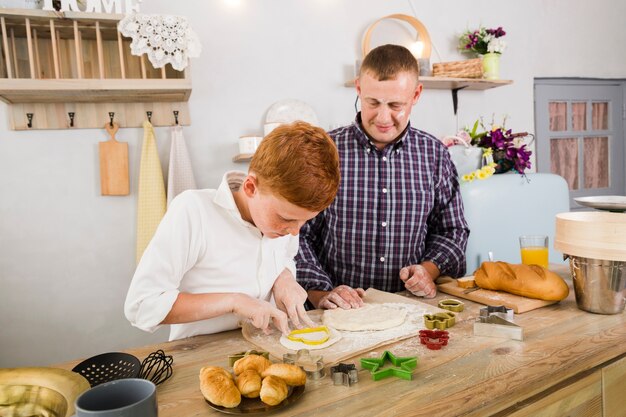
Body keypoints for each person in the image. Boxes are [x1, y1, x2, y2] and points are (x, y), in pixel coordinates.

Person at [125, 121, 341, 340]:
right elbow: (142, 305)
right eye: (286, 218)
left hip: (269, 347)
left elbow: (278, 259)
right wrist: (235, 302)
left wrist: (283, 277)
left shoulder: (281, 225)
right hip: (202, 356)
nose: (295, 232)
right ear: (250, 187)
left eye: (304, 222)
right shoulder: (193, 211)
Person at [296, 44, 470, 310]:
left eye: (396, 105)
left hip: (410, 309)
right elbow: (296, 234)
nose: (383, 117)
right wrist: (322, 294)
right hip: (335, 313)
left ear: (416, 95)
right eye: (373, 103)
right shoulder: (324, 151)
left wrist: (427, 271)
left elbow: (452, 232)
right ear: (358, 89)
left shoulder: (434, 154)